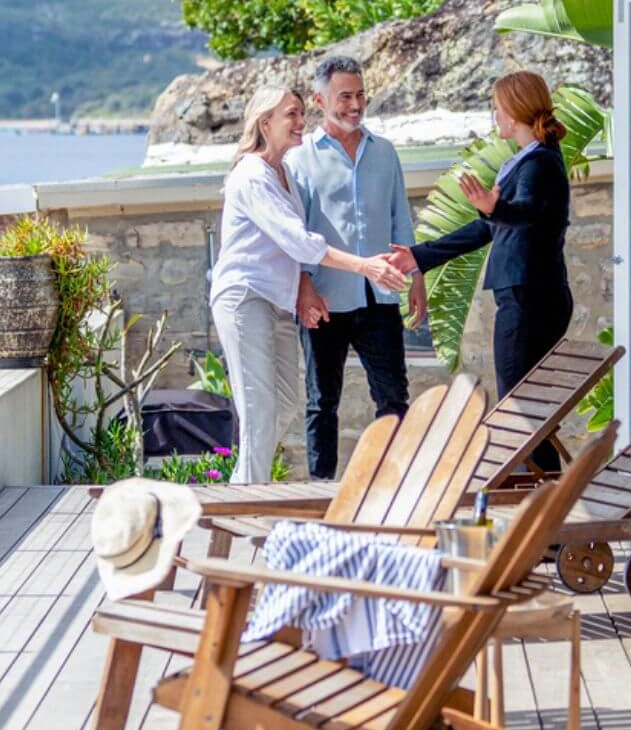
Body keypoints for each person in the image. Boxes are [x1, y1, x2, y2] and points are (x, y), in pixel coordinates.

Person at [210, 87, 408, 484]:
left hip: (276, 301)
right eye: (292, 115)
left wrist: (304, 288)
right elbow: (299, 240)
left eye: (302, 113)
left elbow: (295, 248)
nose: (302, 122)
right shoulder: (251, 175)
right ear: (265, 123)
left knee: (283, 403)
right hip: (244, 298)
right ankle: (246, 506)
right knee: (259, 409)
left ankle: (239, 491)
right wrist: (365, 266)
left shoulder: (283, 173)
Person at [385, 71, 572, 471]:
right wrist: (420, 256)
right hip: (523, 297)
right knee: (522, 406)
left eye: (498, 107)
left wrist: (496, 208)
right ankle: (539, 507)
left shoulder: (540, 163)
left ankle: (543, 512)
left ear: (516, 110)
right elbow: (487, 227)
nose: (495, 115)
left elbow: (528, 216)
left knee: (521, 408)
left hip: (531, 299)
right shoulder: (526, 162)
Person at [285, 56, 426, 480]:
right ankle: (321, 493)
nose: (355, 104)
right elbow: (296, 233)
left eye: (360, 94)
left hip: (381, 297)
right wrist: (304, 287)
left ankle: (394, 487)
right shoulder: (299, 160)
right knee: (322, 402)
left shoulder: (384, 153)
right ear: (320, 100)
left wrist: (417, 278)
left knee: (394, 399)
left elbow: (401, 217)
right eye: (345, 95)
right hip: (326, 297)